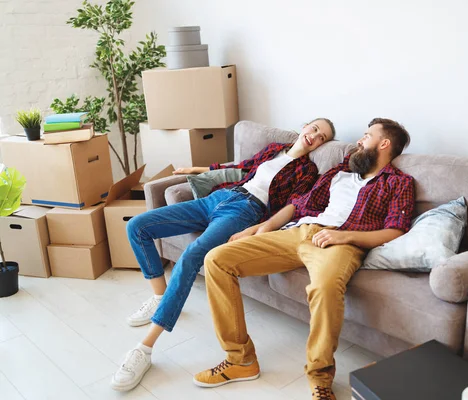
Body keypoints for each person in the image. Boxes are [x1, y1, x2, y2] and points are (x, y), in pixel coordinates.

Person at [195, 118, 415, 400]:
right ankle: (241, 361)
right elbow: (298, 205)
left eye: (366, 136)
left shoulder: (398, 183)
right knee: (217, 260)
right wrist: (257, 230)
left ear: (384, 144)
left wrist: (346, 237)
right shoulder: (341, 170)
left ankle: (320, 377)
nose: (359, 141)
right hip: (299, 231)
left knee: (324, 289)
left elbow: (396, 229)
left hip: (340, 242)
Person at [110, 118, 336, 392]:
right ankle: (160, 297)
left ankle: (144, 349)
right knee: (138, 226)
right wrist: (194, 169)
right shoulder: (276, 148)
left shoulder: (307, 171)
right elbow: (238, 169)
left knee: (193, 256)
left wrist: (253, 231)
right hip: (220, 198)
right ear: (304, 127)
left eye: (322, 137)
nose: (315, 136)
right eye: (314, 128)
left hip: (245, 211)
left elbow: (291, 210)